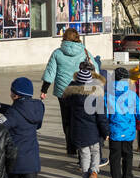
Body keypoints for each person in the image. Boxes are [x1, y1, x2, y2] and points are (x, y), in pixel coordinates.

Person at [41, 28, 101, 157]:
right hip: (80, 90)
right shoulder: (84, 51)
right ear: (77, 37)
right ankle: (81, 146)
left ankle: (71, 147)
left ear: (64, 38)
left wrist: (44, 90)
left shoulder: (57, 53)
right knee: (79, 117)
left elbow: (50, 72)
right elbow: (95, 67)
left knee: (66, 119)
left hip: (63, 91)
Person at [0, 77, 43, 178]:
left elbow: (1, 126)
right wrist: (0, 107)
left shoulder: (13, 113)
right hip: (32, 159)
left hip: (16, 160)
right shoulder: (38, 106)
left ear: (15, 94)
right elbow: (23, 115)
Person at [62, 63, 109, 178]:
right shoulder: (96, 95)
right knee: (95, 153)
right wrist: (106, 132)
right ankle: (94, 173)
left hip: (78, 130)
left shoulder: (71, 96)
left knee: (84, 155)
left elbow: (66, 116)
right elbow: (101, 117)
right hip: (93, 130)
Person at [104, 66, 140, 178]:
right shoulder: (132, 95)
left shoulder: (108, 95)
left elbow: (105, 115)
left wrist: (104, 129)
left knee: (115, 157)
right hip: (128, 130)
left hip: (114, 131)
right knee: (128, 155)